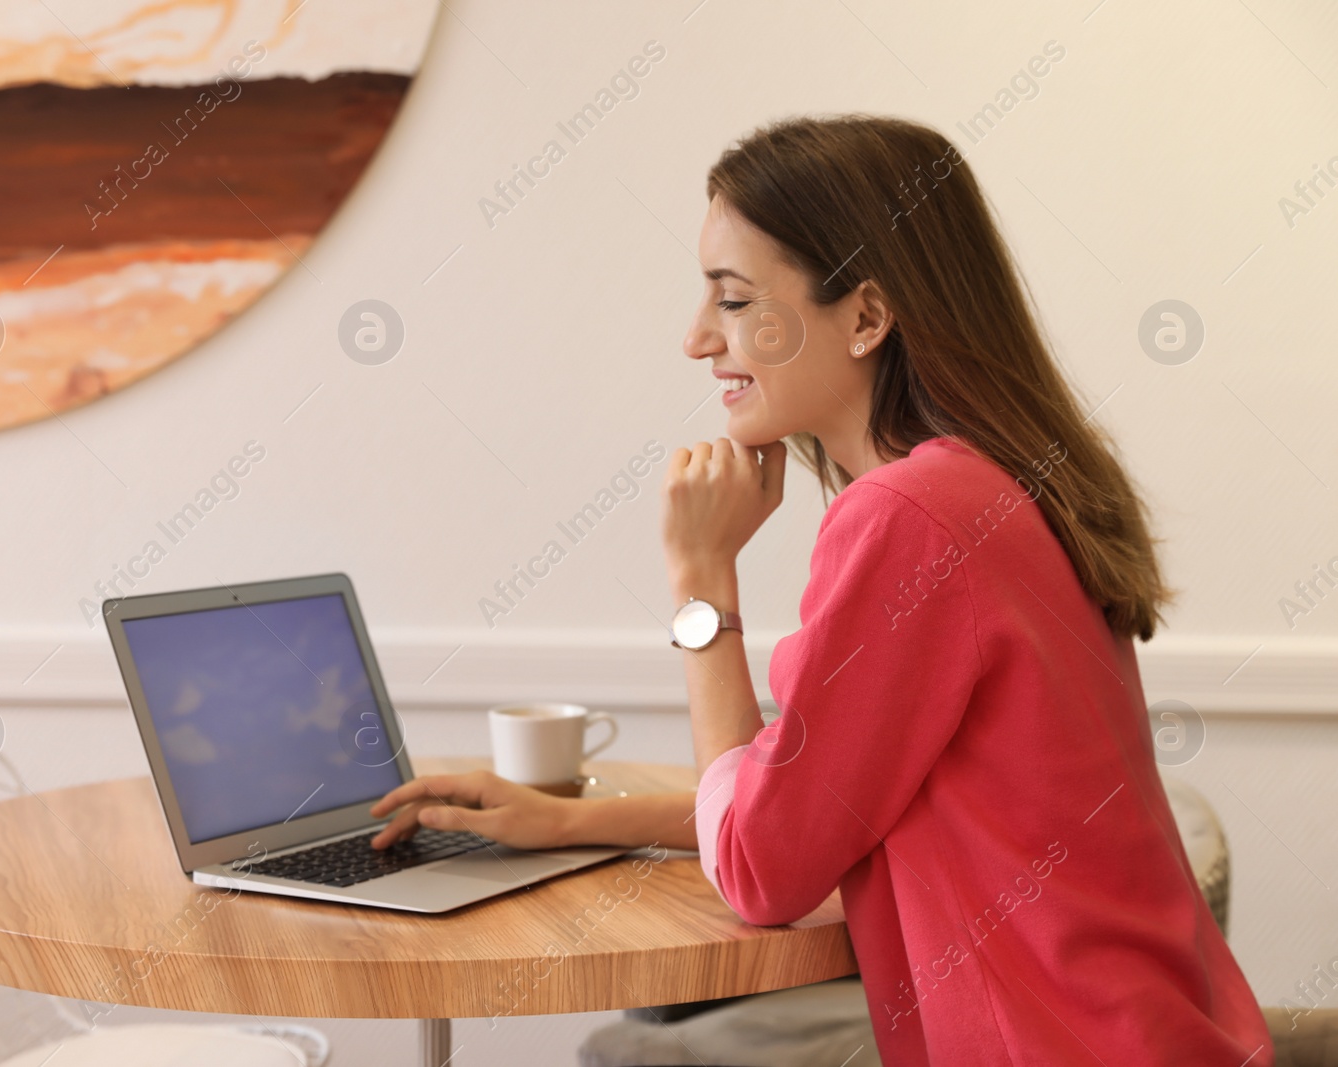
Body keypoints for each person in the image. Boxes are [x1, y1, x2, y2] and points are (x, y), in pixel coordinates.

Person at [370, 114, 1273, 1065]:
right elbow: (824, 804)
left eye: (732, 299)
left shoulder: (911, 515)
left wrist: (701, 585)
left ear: (867, 317)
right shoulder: (997, 486)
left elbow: (762, 869)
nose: (694, 339)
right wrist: (569, 819)